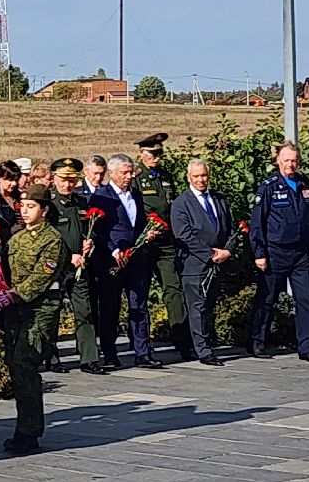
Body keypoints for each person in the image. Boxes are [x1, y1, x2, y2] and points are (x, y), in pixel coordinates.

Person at [2, 184, 65, 454]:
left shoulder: (52, 240)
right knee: (16, 369)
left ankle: (29, 432)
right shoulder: (17, 238)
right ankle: (23, 426)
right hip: (16, 313)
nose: (25, 211)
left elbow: (42, 276)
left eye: (31, 207)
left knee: (25, 364)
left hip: (40, 310)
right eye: (23, 206)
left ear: (44, 209)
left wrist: (15, 295)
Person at [250, 141, 309, 362]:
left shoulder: (304, 185)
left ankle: (307, 347)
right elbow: (257, 224)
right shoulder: (268, 187)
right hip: (275, 252)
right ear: (278, 161)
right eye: (286, 160)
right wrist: (259, 253)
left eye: (294, 161)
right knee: (267, 298)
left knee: (305, 299)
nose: (290, 165)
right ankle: (257, 343)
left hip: (301, 253)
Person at [89, 154, 160, 368]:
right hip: (112, 261)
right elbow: (97, 232)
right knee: (110, 307)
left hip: (136, 258)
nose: (129, 176)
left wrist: (146, 235)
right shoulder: (102, 196)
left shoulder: (136, 195)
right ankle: (110, 353)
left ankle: (142, 352)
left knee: (139, 304)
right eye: (124, 173)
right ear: (112, 173)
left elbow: (137, 224)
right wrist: (113, 250)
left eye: (131, 172)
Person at [171, 158, 233, 367]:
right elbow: (183, 235)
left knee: (209, 306)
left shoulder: (219, 199)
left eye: (204, 175)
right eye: (196, 176)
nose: (201, 180)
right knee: (197, 307)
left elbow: (230, 228)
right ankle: (202, 350)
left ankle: (206, 342)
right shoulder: (181, 203)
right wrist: (209, 254)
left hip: (218, 263)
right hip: (195, 265)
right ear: (189, 178)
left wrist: (227, 251)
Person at [135, 133, 191, 360]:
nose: (156, 158)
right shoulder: (137, 178)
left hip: (167, 241)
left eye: (160, 153)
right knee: (141, 293)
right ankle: (142, 347)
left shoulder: (166, 177)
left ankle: (183, 342)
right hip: (145, 242)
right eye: (152, 154)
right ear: (141, 153)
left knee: (173, 290)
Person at [49, 158, 104, 375]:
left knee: (85, 311)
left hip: (80, 266)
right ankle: (52, 359)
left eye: (71, 180)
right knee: (52, 312)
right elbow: (49, 238)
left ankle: (89, 358)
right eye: (63, 180)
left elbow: (89, 229)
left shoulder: (82, 203)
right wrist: (68, 255)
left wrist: (89, 242)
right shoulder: (49, 205)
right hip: (57, 268)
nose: (67, 185)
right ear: (54, 179)